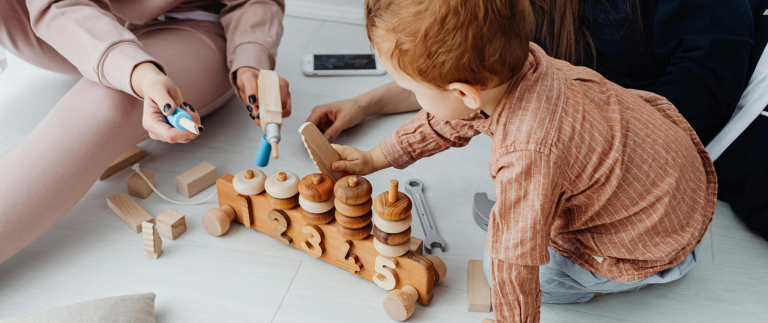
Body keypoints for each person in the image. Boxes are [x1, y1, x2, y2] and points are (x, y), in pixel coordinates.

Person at [330, 0, 717, 322]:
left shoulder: (527, 153)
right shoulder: (525, 61)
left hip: (650, 241)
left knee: (498, 264)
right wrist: (373, 158)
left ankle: (628, 278)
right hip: (672, 174)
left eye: (411, 89)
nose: (411, 96)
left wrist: (509, 317)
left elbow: (514, 257)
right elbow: (447, 121)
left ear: (465, 93)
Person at [0, 0, 291, 264]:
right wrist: (134, 69)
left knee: (109, 105)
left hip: (196, 23)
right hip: (84, 14)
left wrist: (250, 62)